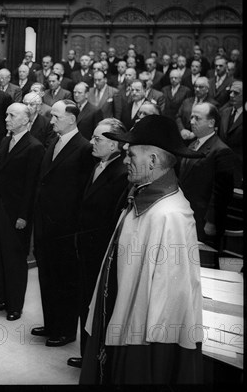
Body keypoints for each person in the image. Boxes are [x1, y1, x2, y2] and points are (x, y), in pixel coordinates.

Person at [80, 115, 204, 385]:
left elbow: (169, 304)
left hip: (143, 346)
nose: (125, 160)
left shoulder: (170, 215)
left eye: (131, 155)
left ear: (153, 161)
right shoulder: (141, 196)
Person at [68, 118, 129, 370]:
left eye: (97, 139)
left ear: (115, 145)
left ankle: (94, 359)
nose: (91, 143)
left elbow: (113, 219)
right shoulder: (98, 164)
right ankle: (87, 355)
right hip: (86, 247)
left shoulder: (122, 174)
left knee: (98, 307)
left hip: (101, 251)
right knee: (86, 303)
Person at [32, 100, 94, 347]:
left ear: (71, 118)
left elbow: (82, 194)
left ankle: (66, 330)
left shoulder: (84, 148)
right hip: (46, 225)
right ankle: (51, 324)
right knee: (47, 277)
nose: (51, 120)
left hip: (66, 229)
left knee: (66, 280)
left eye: (56, 116)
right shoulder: (54, 142)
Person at [0, 103, 45, 321]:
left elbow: (32, 186)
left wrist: (24, 215)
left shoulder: (34, 146)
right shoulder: (4, 141)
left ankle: (15, 306)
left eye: (12, 115)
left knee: (14, 259)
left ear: (25, 119)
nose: (7, 119)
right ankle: (1, 298)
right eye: (6, 115)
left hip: (17, 212)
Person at [178, 102, 235, 247]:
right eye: (191, 117)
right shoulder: (192, 145)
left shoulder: (222, 151)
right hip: (186, 215)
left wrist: (211, 221)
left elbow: (221, 193)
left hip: (203, 221)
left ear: (211, 123)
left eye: (197, 118)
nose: (191, 122)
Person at [218, 80, 243, 187]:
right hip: (221, 164)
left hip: (239, 166)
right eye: (231, 92)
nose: (232, 95)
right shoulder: (225, 112)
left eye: (236, 93)